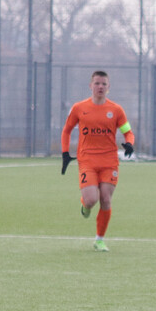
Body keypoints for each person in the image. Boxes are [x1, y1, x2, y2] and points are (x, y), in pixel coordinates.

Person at [60, 70, 135, 252]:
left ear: (108, 87)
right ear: (90, 86)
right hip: (87, 161)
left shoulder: (116, 110)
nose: (100, 87)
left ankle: (99, 239)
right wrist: (65, 153)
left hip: (109, 161)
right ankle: (85, 205)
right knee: (91, 199)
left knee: (106, 199)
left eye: (103, 84)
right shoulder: (79, 108)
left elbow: (128, 132)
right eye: (97, 83)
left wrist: (129, 144)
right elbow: (67, 130)